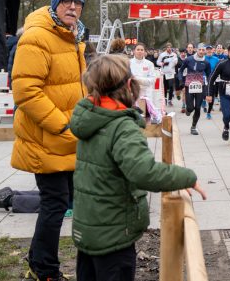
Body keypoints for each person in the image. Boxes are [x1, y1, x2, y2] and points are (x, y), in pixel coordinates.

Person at [69, 54, 206, 280]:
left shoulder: (91, 116)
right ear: (129, 85)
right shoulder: (121, 126)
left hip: (90, 230)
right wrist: (186, 176)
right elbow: (144, 172)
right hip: (114, 234)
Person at [11, 0, 87, 281]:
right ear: (54, 6)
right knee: (55, 204)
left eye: (78, 3)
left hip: (69, 140)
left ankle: (38, 263)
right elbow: (26, 91)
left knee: (61, 201)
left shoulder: (73, 37)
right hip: (47, 138)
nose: (73, 7)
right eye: (66, 2)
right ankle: (45, 271)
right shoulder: (37, 37)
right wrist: (62, 124)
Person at [177, 44, 212, 135]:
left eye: (202, 50)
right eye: (199, 49)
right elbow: (180, 71)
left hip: (200, 85)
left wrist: (208, 86)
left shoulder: (206, 62)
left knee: (197, 108)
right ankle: (188, 110)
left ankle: (193, 127)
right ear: (196, 50)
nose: (201, 51)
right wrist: (181, 80)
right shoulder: (189, 60)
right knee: (190, 107)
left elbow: (209, 75)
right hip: (189, 85)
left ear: (204, 51)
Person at [204, 45, 219, 120]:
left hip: (213, 79)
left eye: (210, 49)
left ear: (212, 50)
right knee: (204, 94)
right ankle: (203, 101)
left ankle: (209, 112)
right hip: (203, 78)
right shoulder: (203, 58)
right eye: (207, 49)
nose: (209, 51)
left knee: (211, 96)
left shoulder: (216, 59)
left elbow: (219, 68)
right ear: (205, 51)